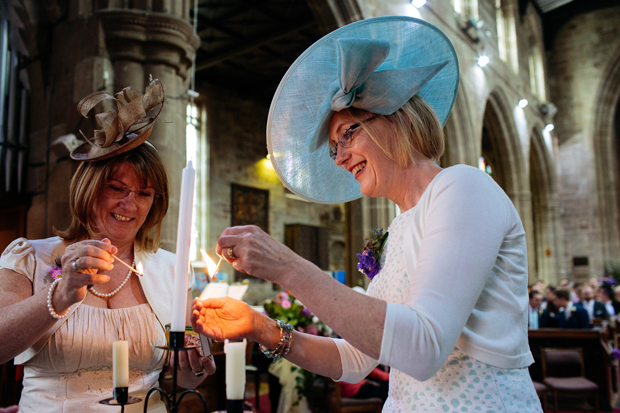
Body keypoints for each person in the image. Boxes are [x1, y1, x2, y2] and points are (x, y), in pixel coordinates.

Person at [192, 16, 541, 412]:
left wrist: (286, 266)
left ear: (396, 118)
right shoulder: (397, 227)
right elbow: (357, 359)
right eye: (332, 147)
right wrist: (261, 328)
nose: (339, 157)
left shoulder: (463, 187)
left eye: (348, 134)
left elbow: (424, 348)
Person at [0, 81, 215, 412]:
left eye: (144, 194)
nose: (130, 205)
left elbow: (177, 376)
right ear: (89, 188)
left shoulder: (172, 268)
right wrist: (59, 295)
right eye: (117, 188)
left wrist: (193, 370)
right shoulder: (31, 257)